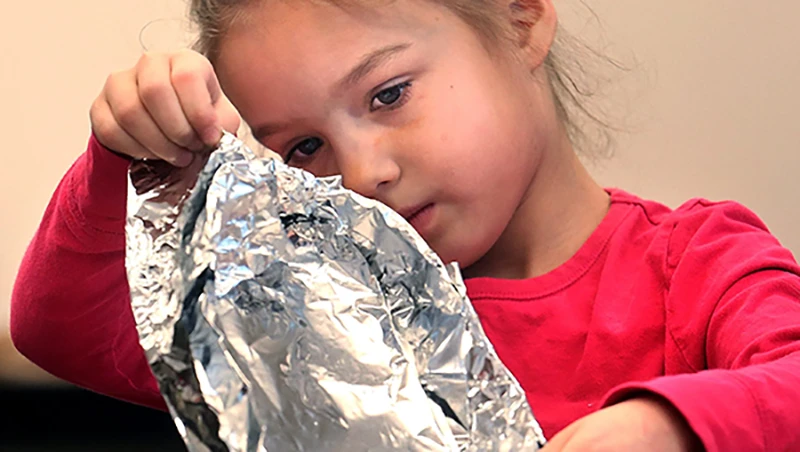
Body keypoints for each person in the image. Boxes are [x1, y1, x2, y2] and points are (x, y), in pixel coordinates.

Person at [10, 0, 800, 450]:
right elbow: (59, 330)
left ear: (521, 18)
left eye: (387, 94)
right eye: (306, 146)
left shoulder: (692, 264)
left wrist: (671, 426)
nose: (363, 174)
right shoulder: (310, 311)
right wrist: (132, 155)